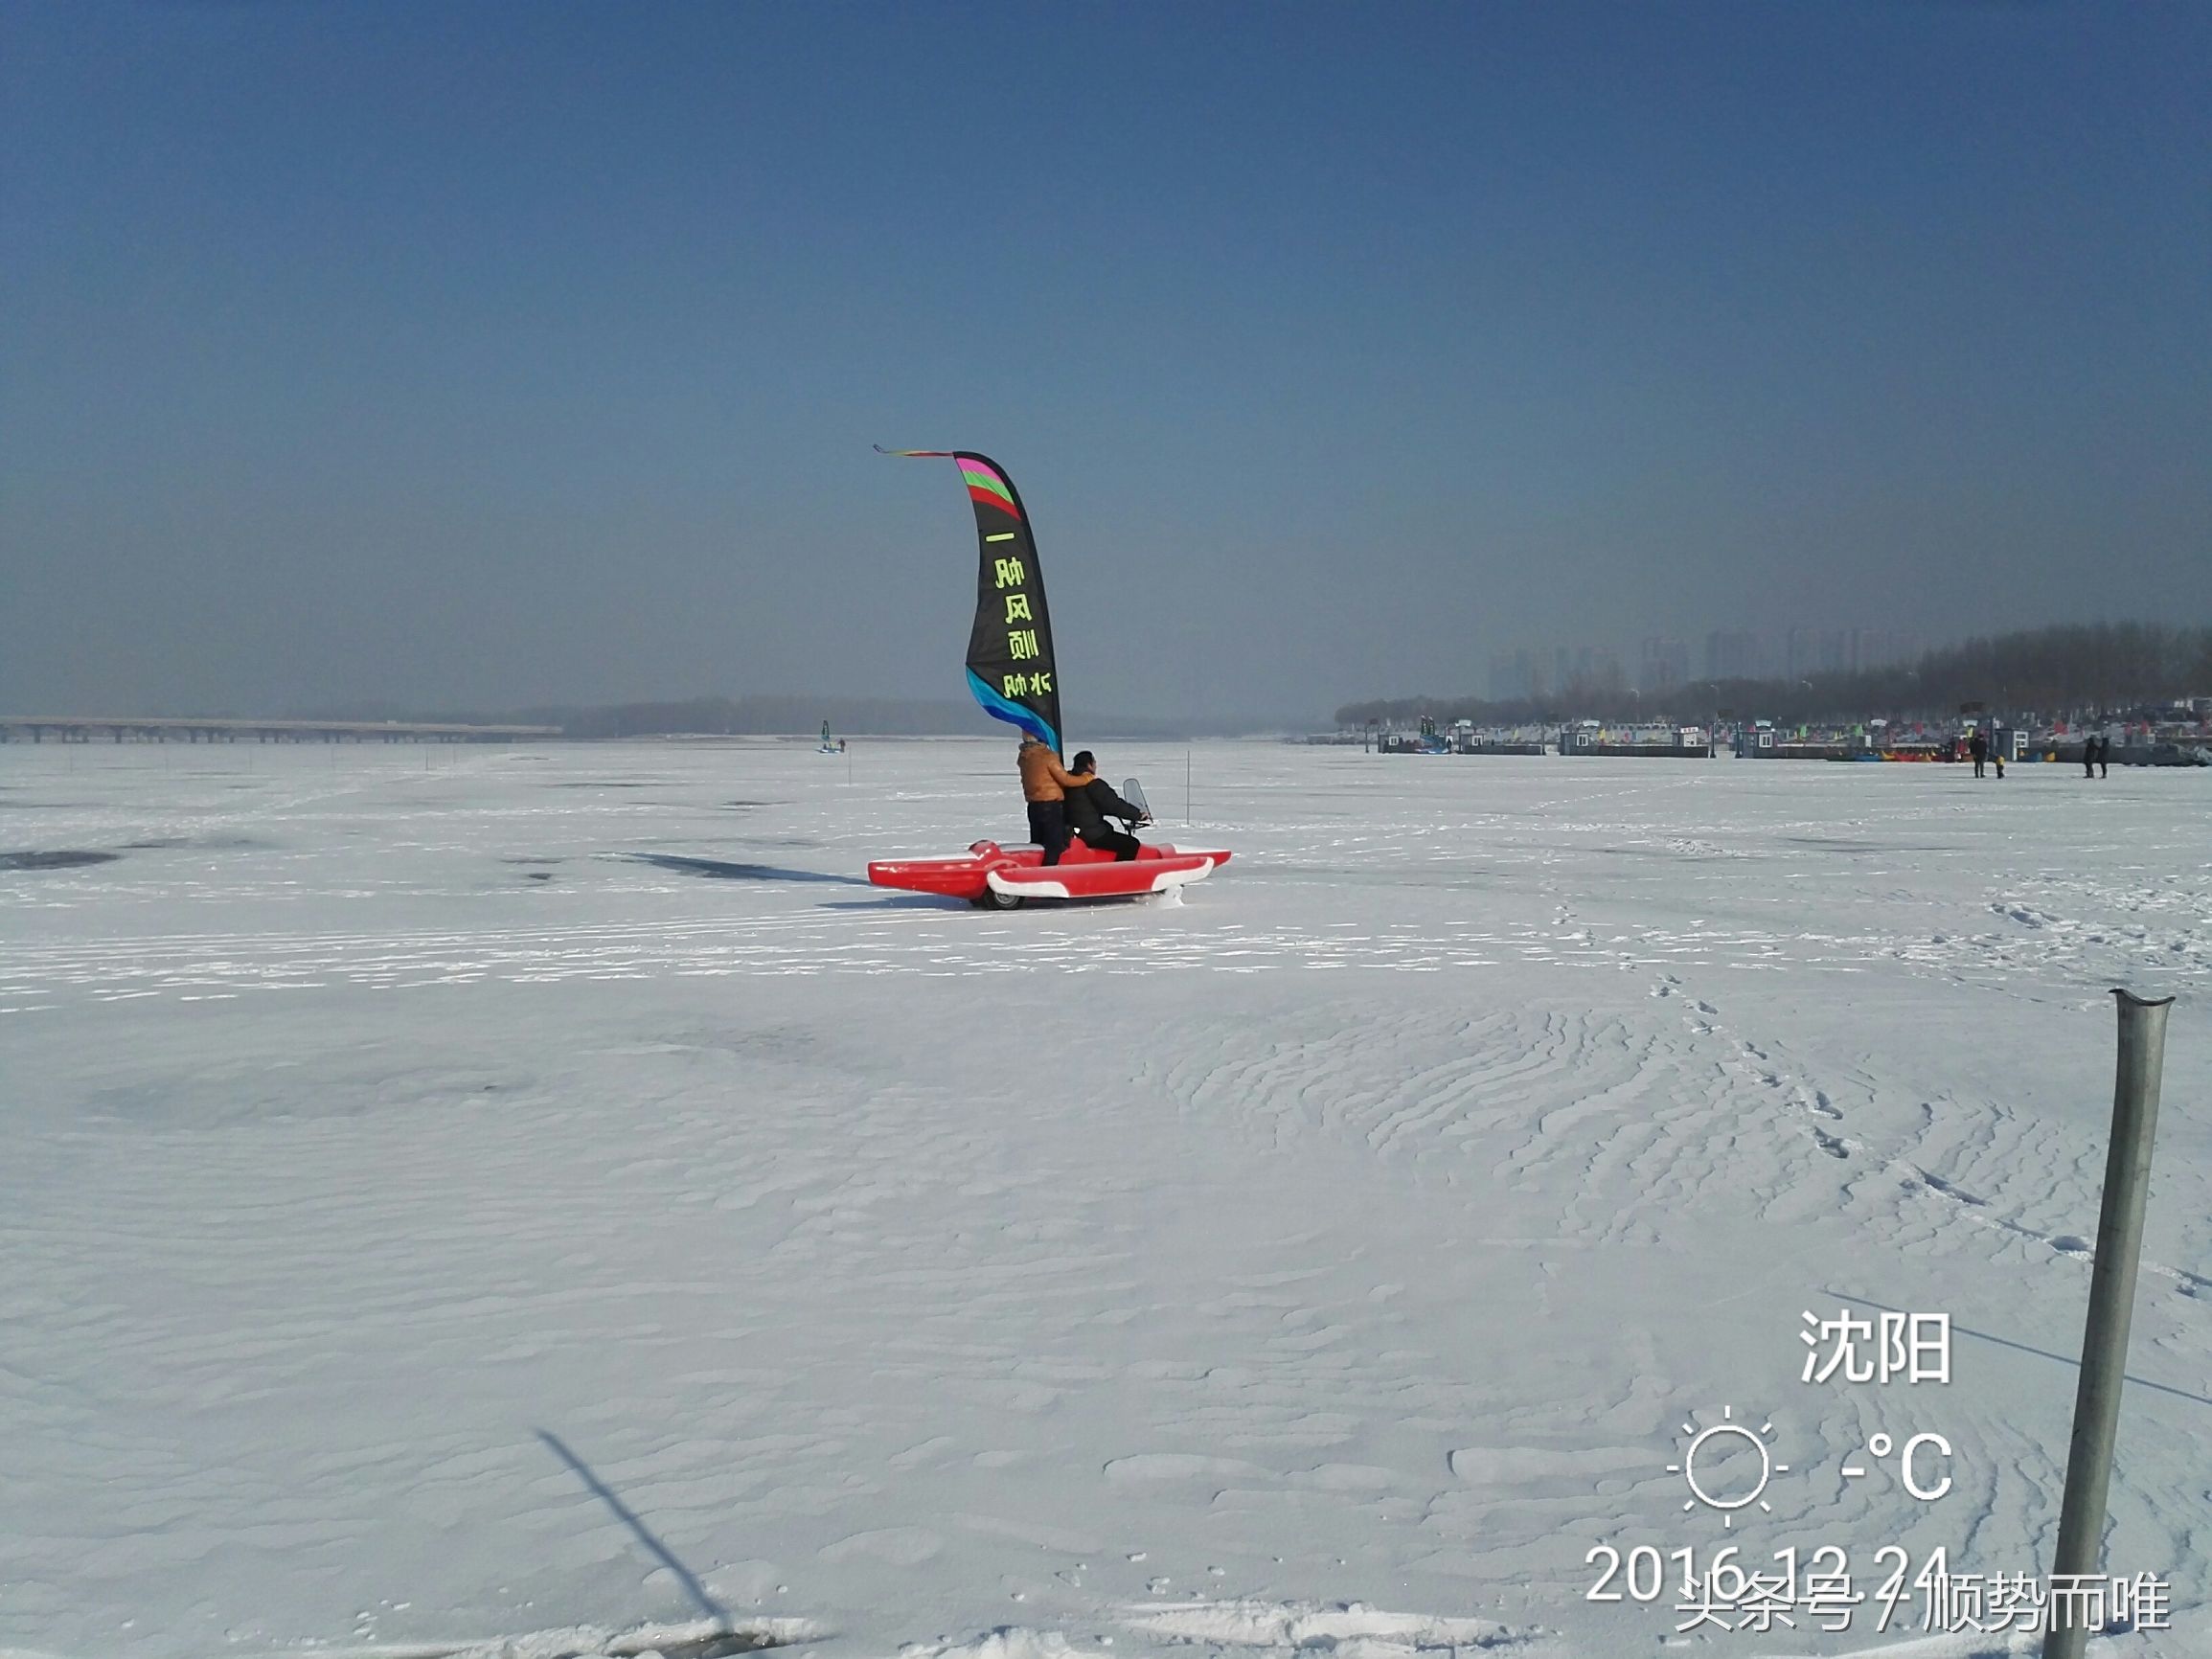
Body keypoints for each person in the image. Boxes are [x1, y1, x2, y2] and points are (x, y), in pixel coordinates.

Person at [1016, 735, 1093, 866]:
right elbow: (1066, 780)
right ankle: (1047, 872)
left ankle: (1033, 871)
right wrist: (1087, 779)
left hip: (1034, 805)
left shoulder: (1024, 757)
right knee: (1054, 844)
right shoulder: (1047, 757)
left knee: (1038, 845)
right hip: (1050, 805)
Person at [1061, 750, 1151, 860]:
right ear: (1089, 765)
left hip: (1075, 830)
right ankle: (1120, 874)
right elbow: (1113, 804)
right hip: (1091, 833)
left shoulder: (1070, 782)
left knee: (1110, 833)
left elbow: (1087, 805)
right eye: (1094, 763)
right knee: (1131, 844)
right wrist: (1137, 814)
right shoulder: (1092, 783)